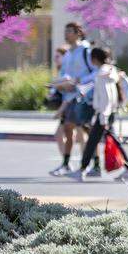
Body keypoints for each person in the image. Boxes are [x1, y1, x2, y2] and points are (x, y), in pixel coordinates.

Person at [69, 47, 128, 181]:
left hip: (104, 113)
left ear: (94, 59)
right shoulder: (110, 71)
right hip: (108, 112)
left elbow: (106, 96)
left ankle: (82, 169)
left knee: (92, 141)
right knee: (109, 140)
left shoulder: (102, 74)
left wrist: (103, 115)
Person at [48, 23, 96, 176]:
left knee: (87, 131)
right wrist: (56, 86)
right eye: (65, 31)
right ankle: (67, 164)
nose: (66, 34)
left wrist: (77, 81)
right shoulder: (68, 54)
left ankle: (95, 165)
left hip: (84, 97)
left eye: (69, 31)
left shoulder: (86, 51)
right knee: (68, 129)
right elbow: (66, 75)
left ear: (78, 33)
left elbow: (96, 72)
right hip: (70, 98)